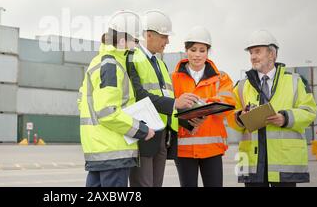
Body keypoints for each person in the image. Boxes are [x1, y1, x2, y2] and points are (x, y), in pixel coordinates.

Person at [77, 10, 155, 187]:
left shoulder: (97, 62)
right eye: (135, 41)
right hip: (113, 151)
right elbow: (107, 112)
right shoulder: (112, 66)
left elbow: (82, 102)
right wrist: (142, 130)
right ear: (122, 40)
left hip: (99, 149)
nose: (136, 46)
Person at [229, 29, 317, 187]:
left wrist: (286, 118)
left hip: (284, 161)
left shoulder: (295, 81)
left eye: (257, 51)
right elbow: (230, 117)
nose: (253, 57)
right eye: (251, 53)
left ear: (272, 54)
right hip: (252, 162)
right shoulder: (241, 86)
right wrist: (240, 116)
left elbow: (310, 111)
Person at [126, 10, 196, 187]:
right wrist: (174, 102)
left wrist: (188, 121)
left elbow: (167, 101)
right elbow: (139, 95)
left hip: (161, 138)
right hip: (143, 136)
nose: (168, 41)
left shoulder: (160, 63)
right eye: (164, 36)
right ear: (149, 35)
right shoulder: (132, 58)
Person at [171, 26, 235, 187]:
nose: (197, 55)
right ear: (186, 51)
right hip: (184, 148)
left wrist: (202, 104)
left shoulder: (222, 77)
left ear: (208, 52)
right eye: (193, 50)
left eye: (202, 50)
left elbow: (228, 103)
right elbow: (168, 107)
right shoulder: (173, 78)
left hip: (212, 149)